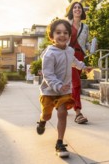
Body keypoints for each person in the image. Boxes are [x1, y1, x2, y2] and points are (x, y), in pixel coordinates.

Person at [36, 19, 91, 158]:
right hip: (49, 91)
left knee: (62, 113)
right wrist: (58, 86)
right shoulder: (49, 54)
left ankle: (59, 142)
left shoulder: (70, 50)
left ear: (69, 36)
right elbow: (48, 75)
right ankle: (42, 121)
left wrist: (83, 67)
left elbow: (75, 62)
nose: (62, 35)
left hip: (63, 91)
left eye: (65, 33)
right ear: (51, 36)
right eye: (58, 32)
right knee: (47, 115)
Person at [67, 2, 91, 124]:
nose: (77, 9)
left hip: (80, 56)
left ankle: (66, 103)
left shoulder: (85, 27)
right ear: (72, 11)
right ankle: (78, 113)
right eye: (75, 7)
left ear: (82, 11)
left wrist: (91, 47)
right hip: (69, 56)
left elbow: (86, 43)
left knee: (73, 83)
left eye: (79, 7)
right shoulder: (67, 25)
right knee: (76, 83)